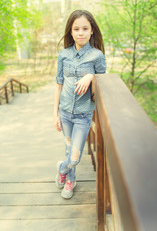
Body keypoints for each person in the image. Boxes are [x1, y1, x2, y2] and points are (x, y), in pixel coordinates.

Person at [53, 10, 106, 199]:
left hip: (83, 115)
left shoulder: (97, 56)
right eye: (76, 29)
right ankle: (70, 180)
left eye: (85, 28)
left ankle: (62, 167)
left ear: (92, 31)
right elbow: (59, 84)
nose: (80, 33)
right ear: (71, 31)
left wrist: (91, 76)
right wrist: (55, 114)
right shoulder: (64, 55)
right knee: (69, 150)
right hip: (65, 112)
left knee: (74, 158)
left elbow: (103, 81)